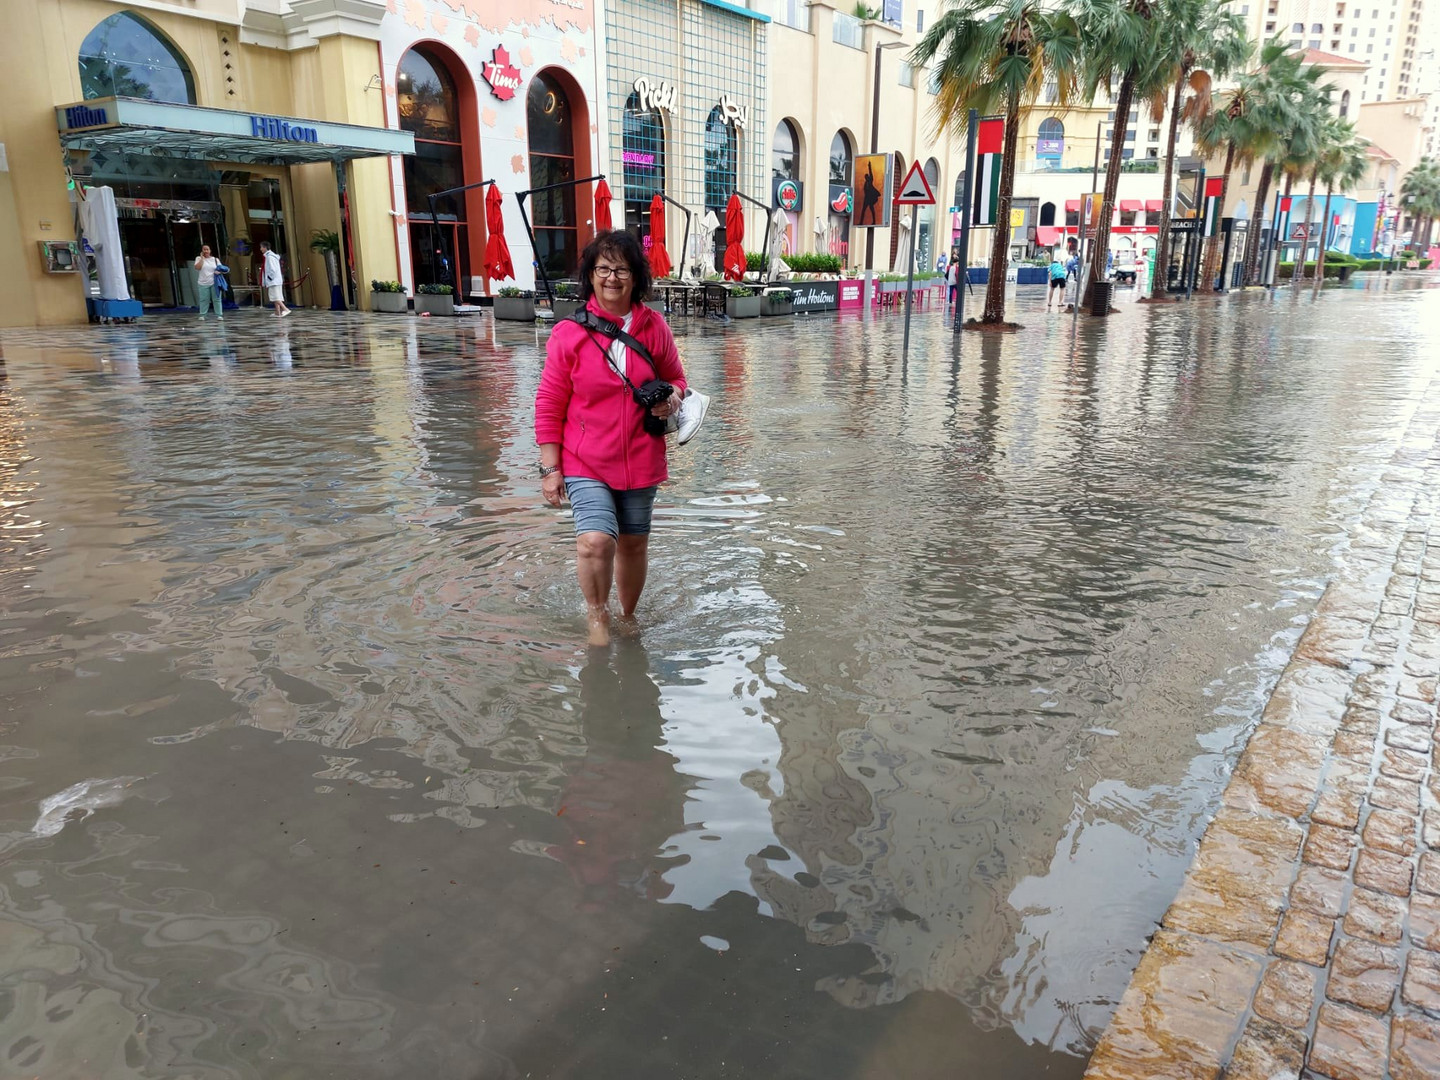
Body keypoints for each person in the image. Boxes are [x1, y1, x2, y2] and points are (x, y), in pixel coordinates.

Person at [535, 230, 692, 647]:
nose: (611, 277)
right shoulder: (569, 334)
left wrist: (672, 398)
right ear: (590, 275)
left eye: (621, 269)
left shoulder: (653, 326)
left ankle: (628, 616)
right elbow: (549, 402)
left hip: (641, 455)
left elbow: (677, 378)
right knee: (595, 541)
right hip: (586, 458)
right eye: (603, 268)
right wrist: (551, 469)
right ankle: (597, 615)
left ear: (635, 276)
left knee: (634, 544)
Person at [260, 241, 290, 318]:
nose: (261, 249)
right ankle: (277, 312)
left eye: (262, 247)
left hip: (273, 280)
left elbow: (272, 269)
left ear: (265, 247)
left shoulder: (270, 257)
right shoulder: (270, 256)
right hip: (275, 280)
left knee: (274, 297)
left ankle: (285, 309)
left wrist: (270, 278)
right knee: (277, 296)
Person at [193, 244, 223, 321]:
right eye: (204, 249)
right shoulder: (198, 258)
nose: (206, 251)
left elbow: (221, 269)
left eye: (207, 249)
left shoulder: (215, 259)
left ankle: (219, 315)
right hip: (202, 282)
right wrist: (202, 259)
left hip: (214, 282)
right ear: (202, 251)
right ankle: (202, 315)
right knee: (204, 299)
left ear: (210, 251)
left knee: (217, 299)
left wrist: (218, 271)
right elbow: (197, 267)